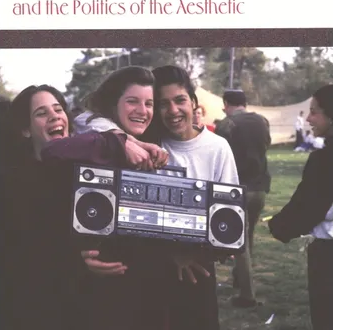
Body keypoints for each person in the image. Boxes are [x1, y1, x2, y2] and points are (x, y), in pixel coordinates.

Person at [78, 65, 239, 330]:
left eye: (180, 100)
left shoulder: (217, 147)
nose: (173, 110)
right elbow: (87, 119)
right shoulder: (146, 140)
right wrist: (123, 140)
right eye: (163, 104)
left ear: (194, 102)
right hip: (150, 266)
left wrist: (198, 252)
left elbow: (229, 216)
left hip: (195, 268)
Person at [0, 83, 158, 330]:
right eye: (41, 113)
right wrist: (76, 261)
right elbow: (23, 252)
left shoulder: (85, 169)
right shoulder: (13, 181)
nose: (54, 116)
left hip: (86, 306)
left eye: (58, 109)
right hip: (35, 308)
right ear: (25, 129)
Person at [268, 85, 333, 330]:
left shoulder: (325, 159)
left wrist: (279, 226)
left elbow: (307, 207)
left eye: (314, 112)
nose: (308, 119)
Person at [215, 89, 271, 309]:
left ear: (227, 104)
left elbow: (218, 154)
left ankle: (247, 295)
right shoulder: (262, 121)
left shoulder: (226, 124)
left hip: (237, 188)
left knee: (239, 242)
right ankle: (240, 277)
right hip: (260, 186)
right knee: (249, 235)